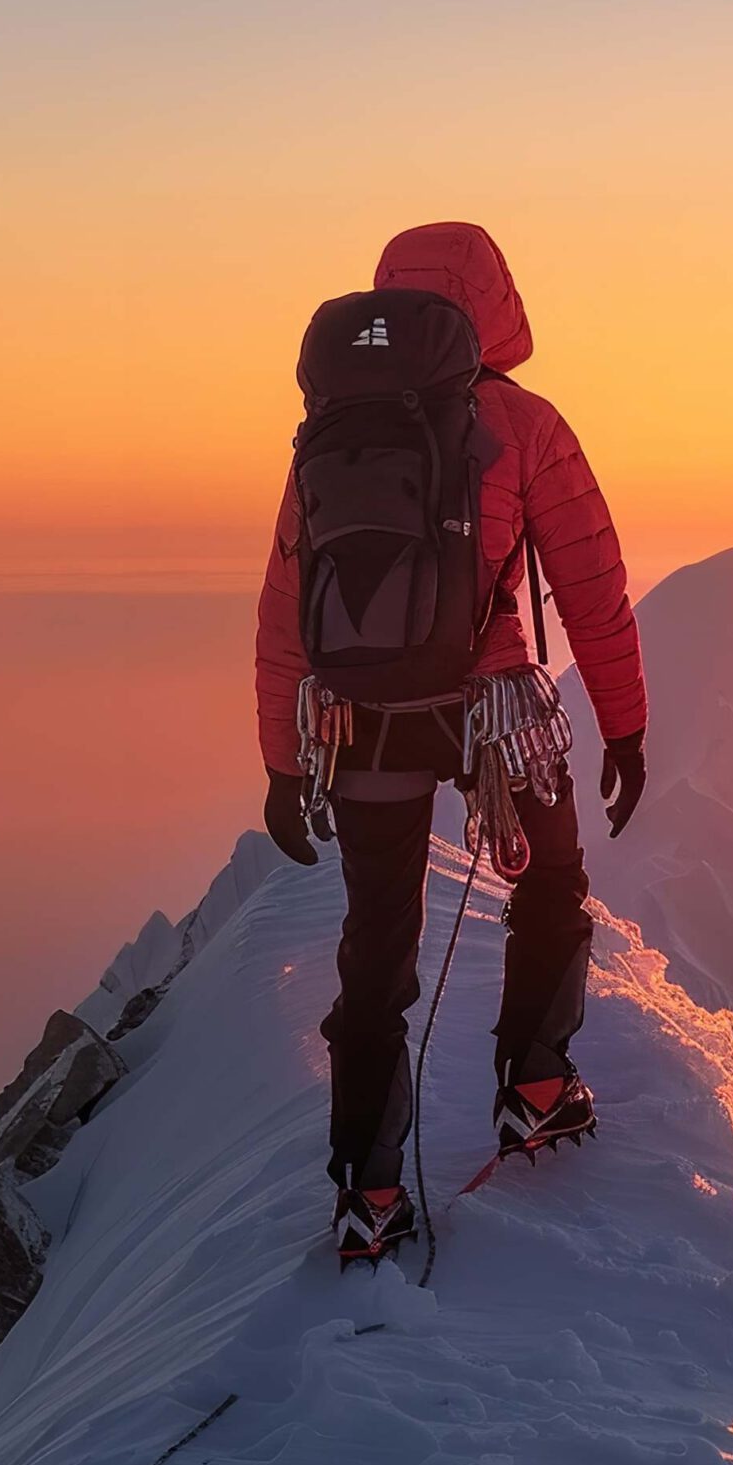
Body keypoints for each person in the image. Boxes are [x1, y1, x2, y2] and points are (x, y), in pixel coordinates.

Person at [253, 222, 648, 1262]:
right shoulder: (524, 424)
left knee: (376, 950)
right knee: (551, 882)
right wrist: (626, 726)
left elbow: (288, 605)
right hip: (495, 713)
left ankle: (367, 1193)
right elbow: (592, 592)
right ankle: (535, 1084)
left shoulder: (333, 432)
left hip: (363, 717)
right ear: (496, 300)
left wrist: (283, 766)